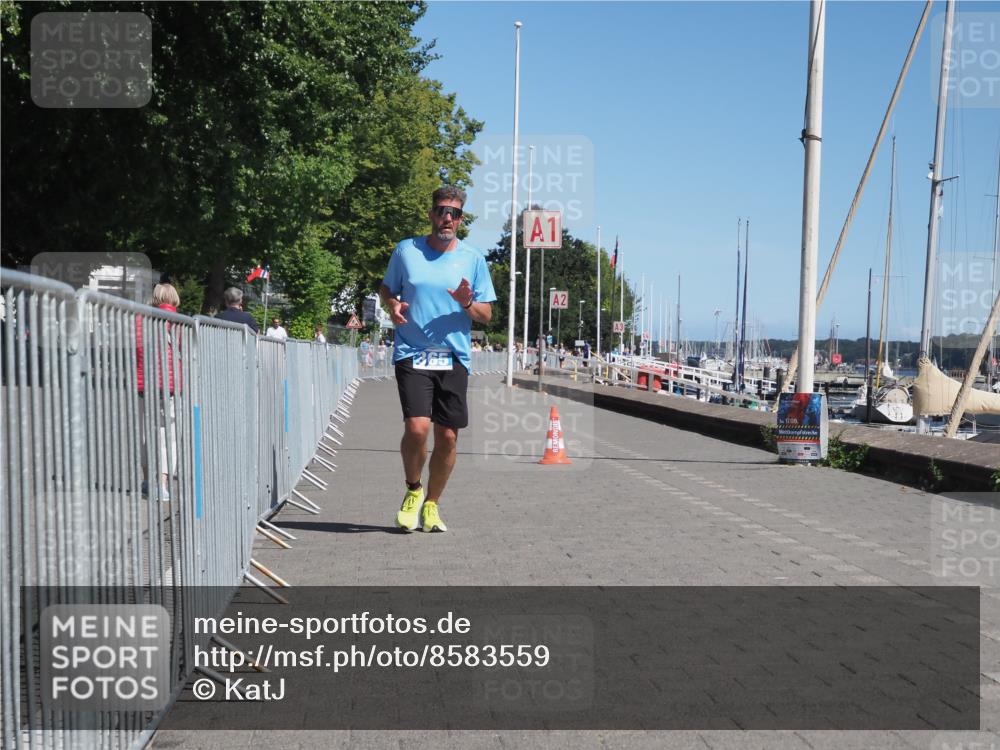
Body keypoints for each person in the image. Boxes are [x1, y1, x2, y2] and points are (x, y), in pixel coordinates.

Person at [379, 185, 497, 533]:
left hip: (453, 356)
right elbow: (387, 288)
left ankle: (432, 504)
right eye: (443, 211)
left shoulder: (473, 259)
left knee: (447, 437)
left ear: (461, 220)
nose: (448, 218)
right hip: (412, 351)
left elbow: (486, 315)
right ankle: (414, 490)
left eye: (455, 213)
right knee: (417, 428)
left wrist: (465, 303)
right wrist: (392, 304)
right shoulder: (406, 250)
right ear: (431, 214)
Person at [136, 282, 182, 502]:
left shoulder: (141, 319)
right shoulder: (179, 323)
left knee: (146, 433)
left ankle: (146, 480)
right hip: (170, 386)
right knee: (168, 437)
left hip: (145, 383)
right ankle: (162, 484)